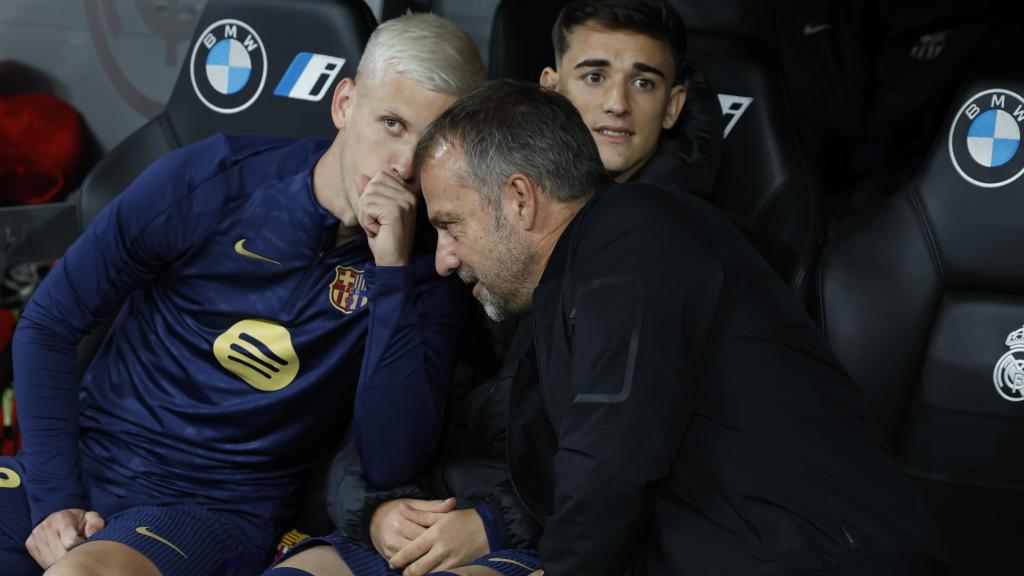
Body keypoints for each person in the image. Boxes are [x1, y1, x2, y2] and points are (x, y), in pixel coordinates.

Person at [0, 13, 485, 576]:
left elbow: (389, 459)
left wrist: (393, 272)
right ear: (345, 103)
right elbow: (50, 323)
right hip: (83, 464)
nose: (403, 166)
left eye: (429, 145)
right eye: (392, 124)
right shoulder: (215, 178)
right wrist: (58, 500)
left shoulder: (431, 265)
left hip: (211, 506)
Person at [414, 79, 947, 575]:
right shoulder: (563, 290)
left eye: (449, 225)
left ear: (520, 199)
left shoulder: (633, 232)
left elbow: (610, 453)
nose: (443, 258)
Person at [539, 0, 721, 193]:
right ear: (551, 91)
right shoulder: (509, 189)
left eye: (643, 83)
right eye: (594, 77)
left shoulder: (696, 221)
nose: (617, 105)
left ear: (671, 107)